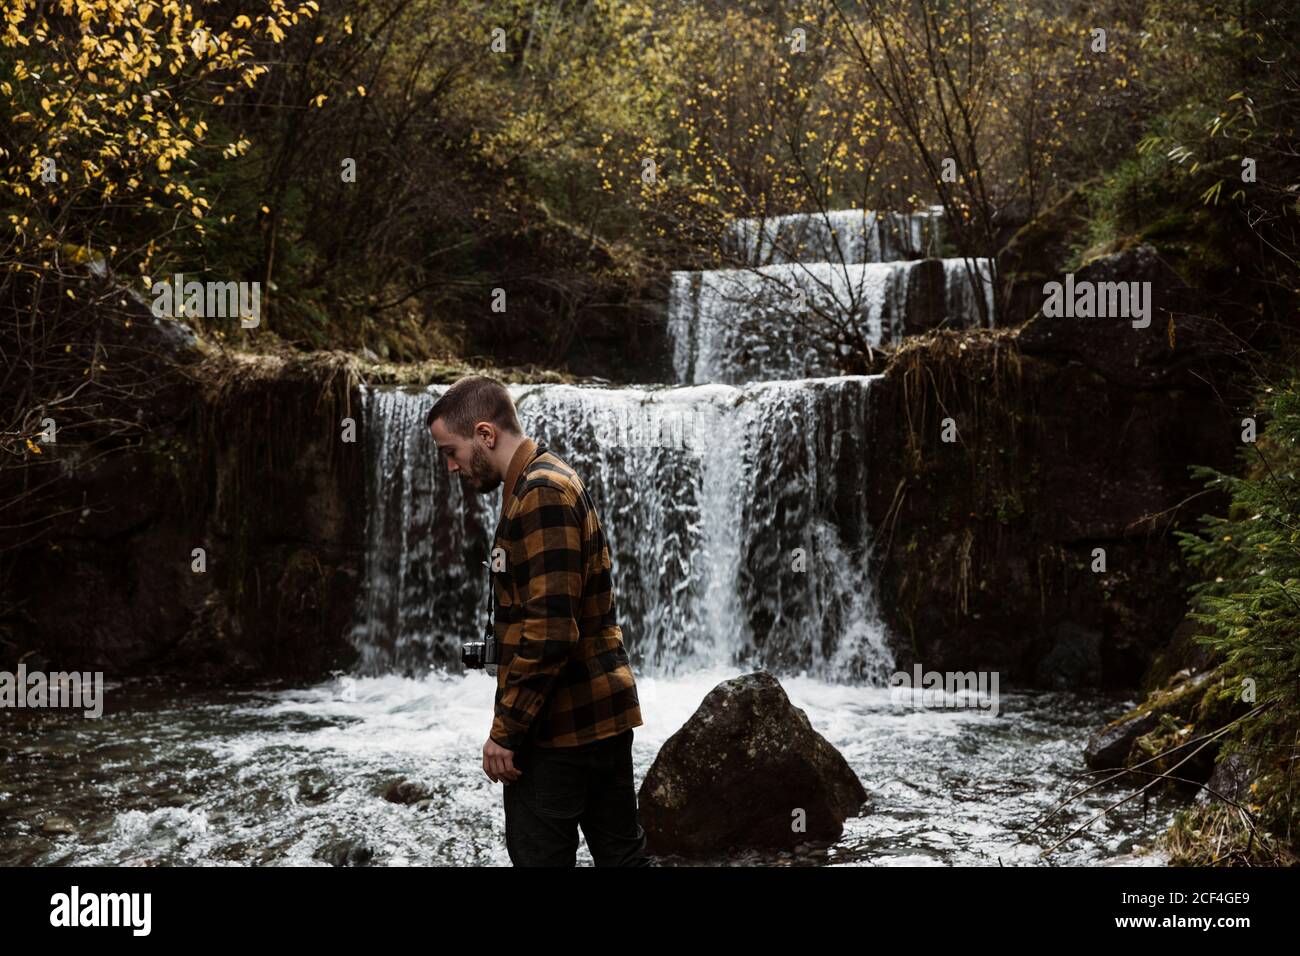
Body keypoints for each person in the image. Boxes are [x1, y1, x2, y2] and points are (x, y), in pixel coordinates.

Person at [425, 375, 653, 866]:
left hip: (561, 730)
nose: (450, 466)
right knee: (622, 855)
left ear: (485, 435)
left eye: (451, 451)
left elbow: (551, 633)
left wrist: (505, 731)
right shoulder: (539, 482)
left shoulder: (542, 493)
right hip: (597, 719)